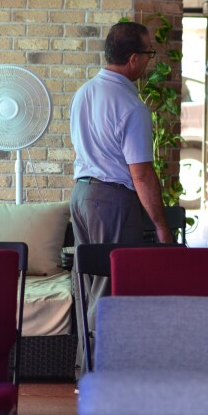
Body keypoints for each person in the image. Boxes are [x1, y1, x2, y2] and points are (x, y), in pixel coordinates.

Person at [69, 21, 173, 375]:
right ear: (133, 59)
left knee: (87, 284)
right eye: (148, 54)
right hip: (112, 200)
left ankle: (85, 371)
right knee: (110, 287)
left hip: (81, 195)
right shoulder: (132, 107)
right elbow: (141, 173)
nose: (149, 62)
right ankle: (100, 377)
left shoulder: (84, 92)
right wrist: (161, 227)